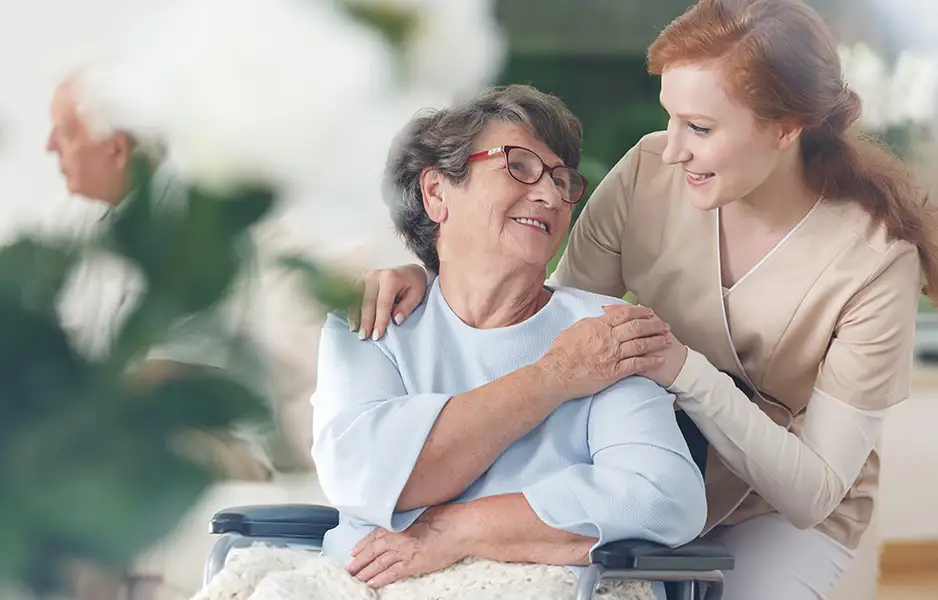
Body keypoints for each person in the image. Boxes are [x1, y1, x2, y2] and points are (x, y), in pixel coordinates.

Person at [346, 1, 935, 598]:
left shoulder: (875, 261)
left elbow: (814, 492)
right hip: (640, 461)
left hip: (777, 508)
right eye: (670, 118)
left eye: (700, 128)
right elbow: (550, 326)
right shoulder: (649, 174)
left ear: (786, 129)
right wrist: (436, 268)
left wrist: (683, 370)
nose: (672, 148)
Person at [311, 84, 707, 600]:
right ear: (436, 194)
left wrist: (458, 530)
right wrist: (556, 377)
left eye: (563, 180)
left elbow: (663, 496)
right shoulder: (372, 318)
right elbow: (361, 477)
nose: (549, 195)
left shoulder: (606, 332)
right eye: (518, 166)